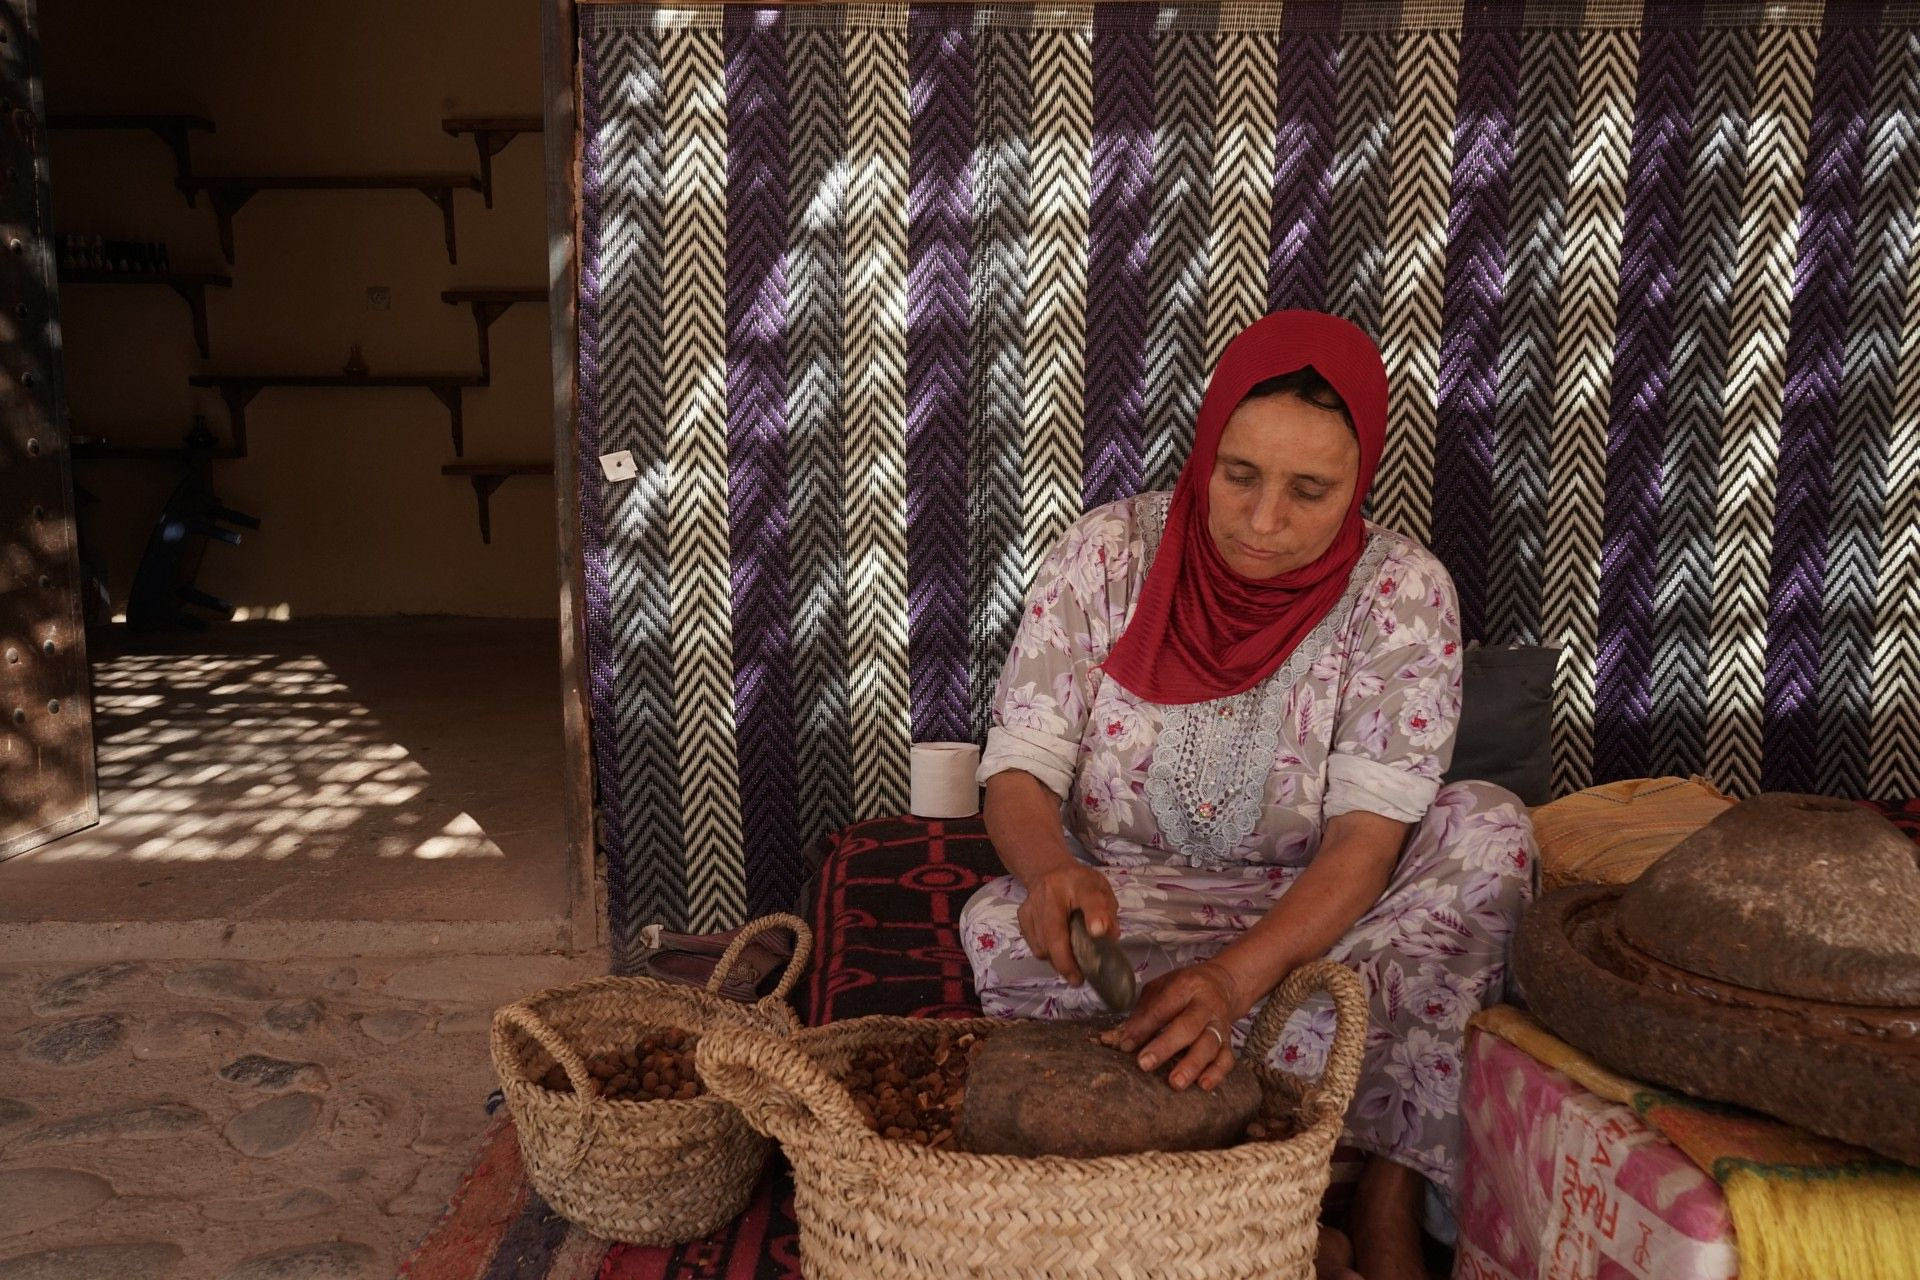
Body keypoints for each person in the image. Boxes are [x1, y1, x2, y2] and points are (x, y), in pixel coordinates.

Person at [960, 310, 1536, 1280]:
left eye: (1309, 490)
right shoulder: (1106, 555)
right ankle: (1288, 1170)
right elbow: (1018, 767)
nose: (1263, 521)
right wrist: (1054, 870)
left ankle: (1388, 1176)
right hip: (1137, 902)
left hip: (1330, 918)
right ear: (1207, 446)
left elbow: (1365, 843)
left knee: (1489, 828)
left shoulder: (1402, 592)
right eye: (1240, 475)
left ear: (1361, 484)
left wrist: (1234, 981)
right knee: (996, 923)